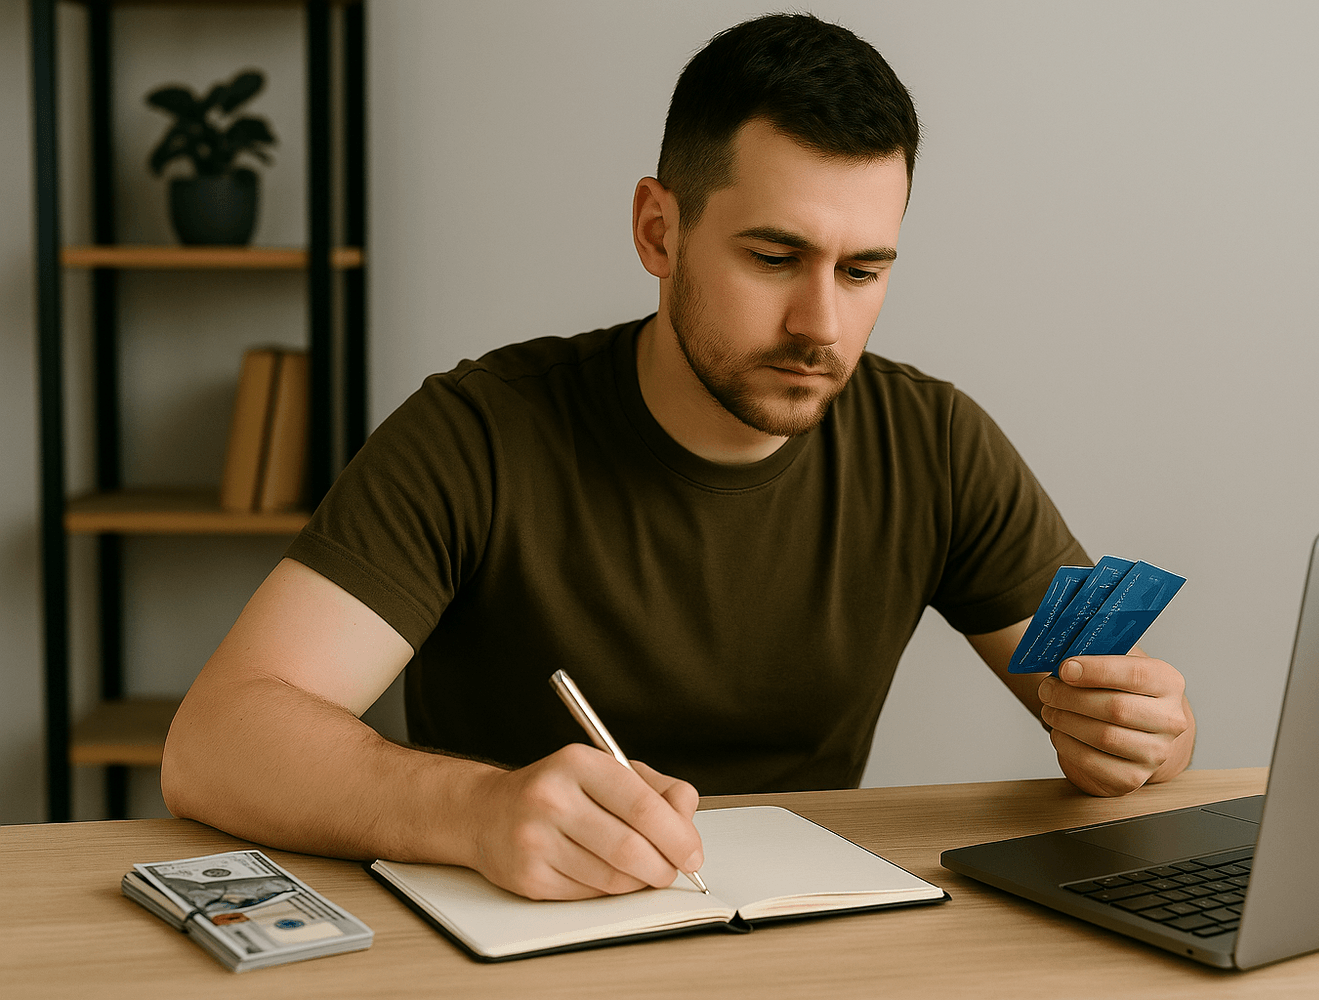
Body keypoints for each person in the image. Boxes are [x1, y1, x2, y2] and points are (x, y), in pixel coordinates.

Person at [162, 13, 1193, 902]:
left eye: (864, 268)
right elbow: (215, 743)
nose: (821, 323)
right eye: (774, 257)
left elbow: (1116, 719)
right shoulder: (478, 430)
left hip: (802, 940)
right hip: (515, 937)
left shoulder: (933, 441)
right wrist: (477, 809)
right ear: (660, 229)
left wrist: (1146, 735)